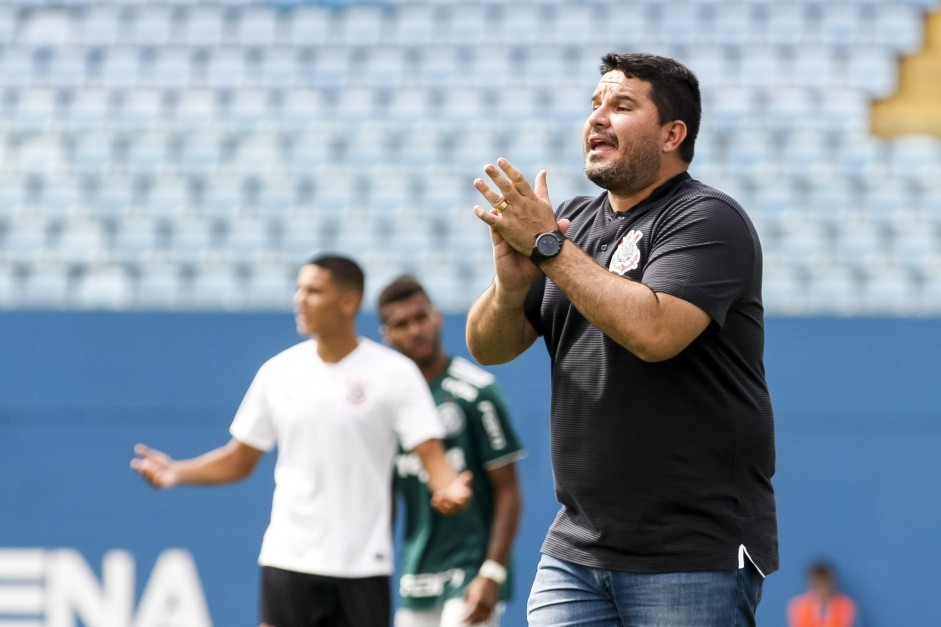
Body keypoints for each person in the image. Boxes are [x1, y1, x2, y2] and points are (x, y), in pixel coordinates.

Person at [465, 51, 778, 626]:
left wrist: (549, 250)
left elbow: (653, 332)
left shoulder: (706, 218)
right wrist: (511, 289)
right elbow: (488, 347)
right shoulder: (570, 223)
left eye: (622, 105)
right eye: (594, 105)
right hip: (576, 549)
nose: (598, 118)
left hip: (689, 552)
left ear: (672, 134)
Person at [131, 254, 472, 627]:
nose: (299, 299)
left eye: (313, 290)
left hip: (363, 566)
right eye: (298, 289)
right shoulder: (278, 373)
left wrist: (452, 489)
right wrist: (177, 472)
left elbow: (432, 457)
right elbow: (238, 459)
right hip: (288, 561)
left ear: (348, 302)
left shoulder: (396, 374)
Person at [377, 275, 525, 627]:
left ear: (437, 316)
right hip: (417, 576)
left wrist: (492, 573)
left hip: (470, 572)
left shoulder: (476, 392)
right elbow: (385, 495)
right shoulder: (388, 402)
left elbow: (508, 489)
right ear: (386, 334)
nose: (415, 330)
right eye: (401, 324)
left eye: (421, 317)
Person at [787, 561, 858, 627]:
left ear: (832, 583)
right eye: (817, 585)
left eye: (824, 584)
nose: (822, 589)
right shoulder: (799, 606)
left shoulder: (846, 605)